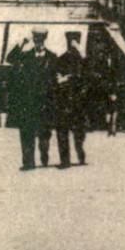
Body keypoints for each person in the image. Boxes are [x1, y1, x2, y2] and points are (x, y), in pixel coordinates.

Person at [6, 28, 57, 170]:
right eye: (35, 39)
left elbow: (55, 78)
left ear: (44, 40)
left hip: (45, 102)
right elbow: (10, 59)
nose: (38, 42)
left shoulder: (52, 57)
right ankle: (28, 162)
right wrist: (21, 43)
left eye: (40, 39)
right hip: (28, 101)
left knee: (44, 134)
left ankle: (44, 152)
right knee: (26, 132)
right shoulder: (26, 55)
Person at [48, 30, 88, 168]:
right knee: (62, 131)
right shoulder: (61, 59)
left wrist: (68, 78)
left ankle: (81, 155)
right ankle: (65, 160)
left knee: (79, 133)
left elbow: (86, 76)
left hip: (78, 102)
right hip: (64, 101)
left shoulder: (83, 60)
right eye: (70, 42)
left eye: (75, 42)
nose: (72, 45)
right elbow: (56, 78)